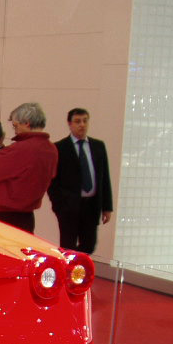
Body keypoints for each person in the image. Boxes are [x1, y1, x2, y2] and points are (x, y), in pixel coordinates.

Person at [0, 102, 57, 234]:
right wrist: (0, 148)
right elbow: (18, 169)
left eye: (15, 126)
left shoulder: (24, 149)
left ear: (27, 123)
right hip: (27, 217)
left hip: (8, 219)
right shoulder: (50, 149)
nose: (15, 130)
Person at [47, 108, 113, 254]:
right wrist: (58, 205)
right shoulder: (59, 148)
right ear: (70, 124)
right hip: (68, 206)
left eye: (85, 121)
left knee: (89, 244)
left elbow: (104, 178)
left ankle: (80, 271)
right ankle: (69, 273)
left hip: (91, 205)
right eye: (77, 121)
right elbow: (52, 181)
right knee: (68, 245)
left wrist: (107, 207)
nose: (82, 125)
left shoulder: (98, 146)